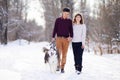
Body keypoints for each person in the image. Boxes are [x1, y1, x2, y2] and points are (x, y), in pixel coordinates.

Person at [52, 8, 73, 73]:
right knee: (58, 53)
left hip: (66, 40)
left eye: (67, 14)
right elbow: (55, 29)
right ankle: (58, 65)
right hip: (58, 38)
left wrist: (71, 37)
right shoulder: (58, 20)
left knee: (64, 54)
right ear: (62, 12)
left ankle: (62, 68)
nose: (66, 15)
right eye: (65, 13)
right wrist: (53, 36)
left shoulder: (69, 21)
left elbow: (71, 30)